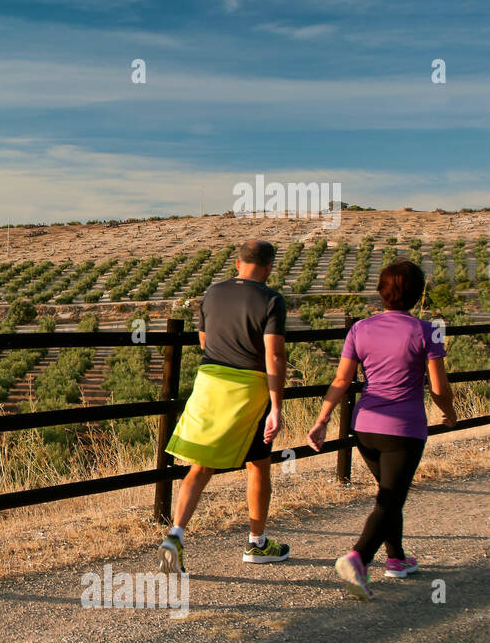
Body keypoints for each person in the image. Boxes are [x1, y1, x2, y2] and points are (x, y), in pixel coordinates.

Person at [308, 259, 457, 600]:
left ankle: (397, 559)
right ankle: (358, 557)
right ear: (418, 293)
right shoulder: (428, 330)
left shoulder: (360, 328)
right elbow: (438, 387)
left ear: (381, 292)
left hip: (365, 427)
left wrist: (322, 418)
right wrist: (449, 413)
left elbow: (342, 380)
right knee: (390, 497)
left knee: (390, 495)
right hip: (403, 430)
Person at [159, 239, 290, 574]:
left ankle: (174, 536)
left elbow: (204, 341)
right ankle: (257, 544)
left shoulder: (212, 293)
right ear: (270, 267)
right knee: (258, 464)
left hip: (208, 383)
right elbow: (274, 355)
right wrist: (277, 406)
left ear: (237, 263)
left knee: (200, 465)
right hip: (248, 390)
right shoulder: (271, 300)